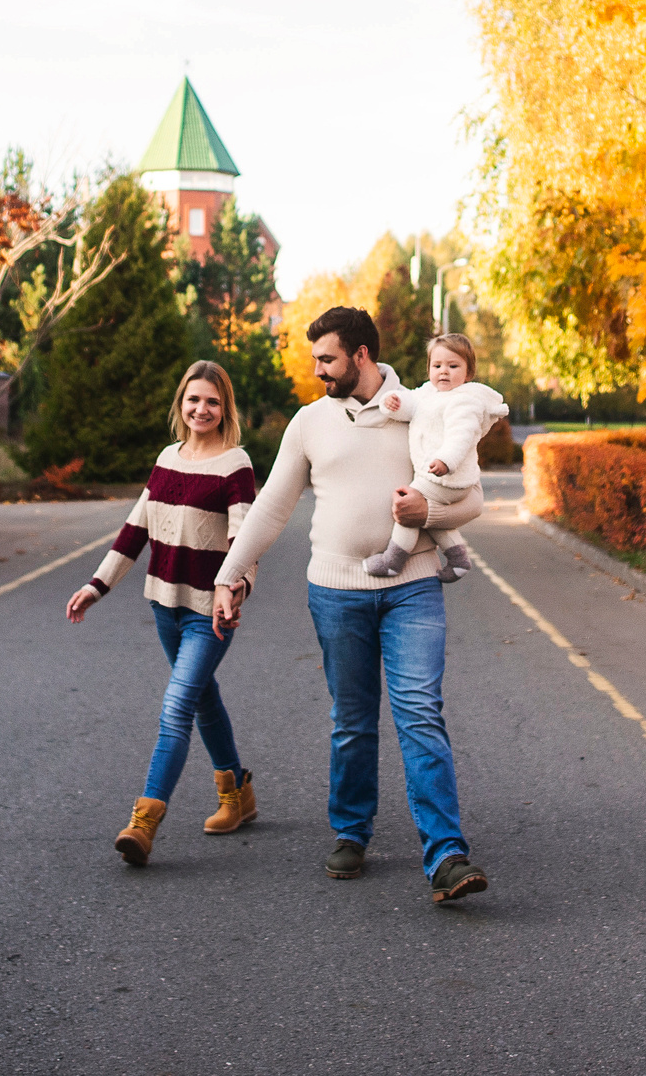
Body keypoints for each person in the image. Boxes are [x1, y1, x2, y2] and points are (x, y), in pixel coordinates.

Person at [210, 306, 490, 905]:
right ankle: (351, 831)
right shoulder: (310, 422)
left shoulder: (420, 410)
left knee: (419, 711)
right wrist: (229, 577)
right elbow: (273, 509)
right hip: (335, 593)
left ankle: (446, 854)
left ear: (361, 356)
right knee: (354, 721)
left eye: (327, 359)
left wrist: (428, 515)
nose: (317, 371)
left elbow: (471, 501)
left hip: (412, 585)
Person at [63, 360, 261, 866]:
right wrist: (96, 585)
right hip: (164, 606)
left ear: (225, 409)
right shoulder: (167, 458)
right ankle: (237, 794)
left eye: (212, 402)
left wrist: (234, 588)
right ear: (181, 404)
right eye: (194, 400)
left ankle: (144, 822)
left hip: (209, 611)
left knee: (176, 708)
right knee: (201, 697)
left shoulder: (235, 464)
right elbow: (136, 529)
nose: (202, 409)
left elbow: (245, 539)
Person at [363, 331, 507, 581]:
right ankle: (458, 559)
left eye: (453, 366)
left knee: (409, 508)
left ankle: (392, 561)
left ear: (468, 373)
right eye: (437, 365)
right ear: (428, 368)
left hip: (448, 477)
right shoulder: (428, 393)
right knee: (429, 517)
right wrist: (392, 403)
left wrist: (445, 461)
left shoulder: (464, 401)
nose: (444, 372)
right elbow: (410, 405)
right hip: (435, 474)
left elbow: (461, 437)